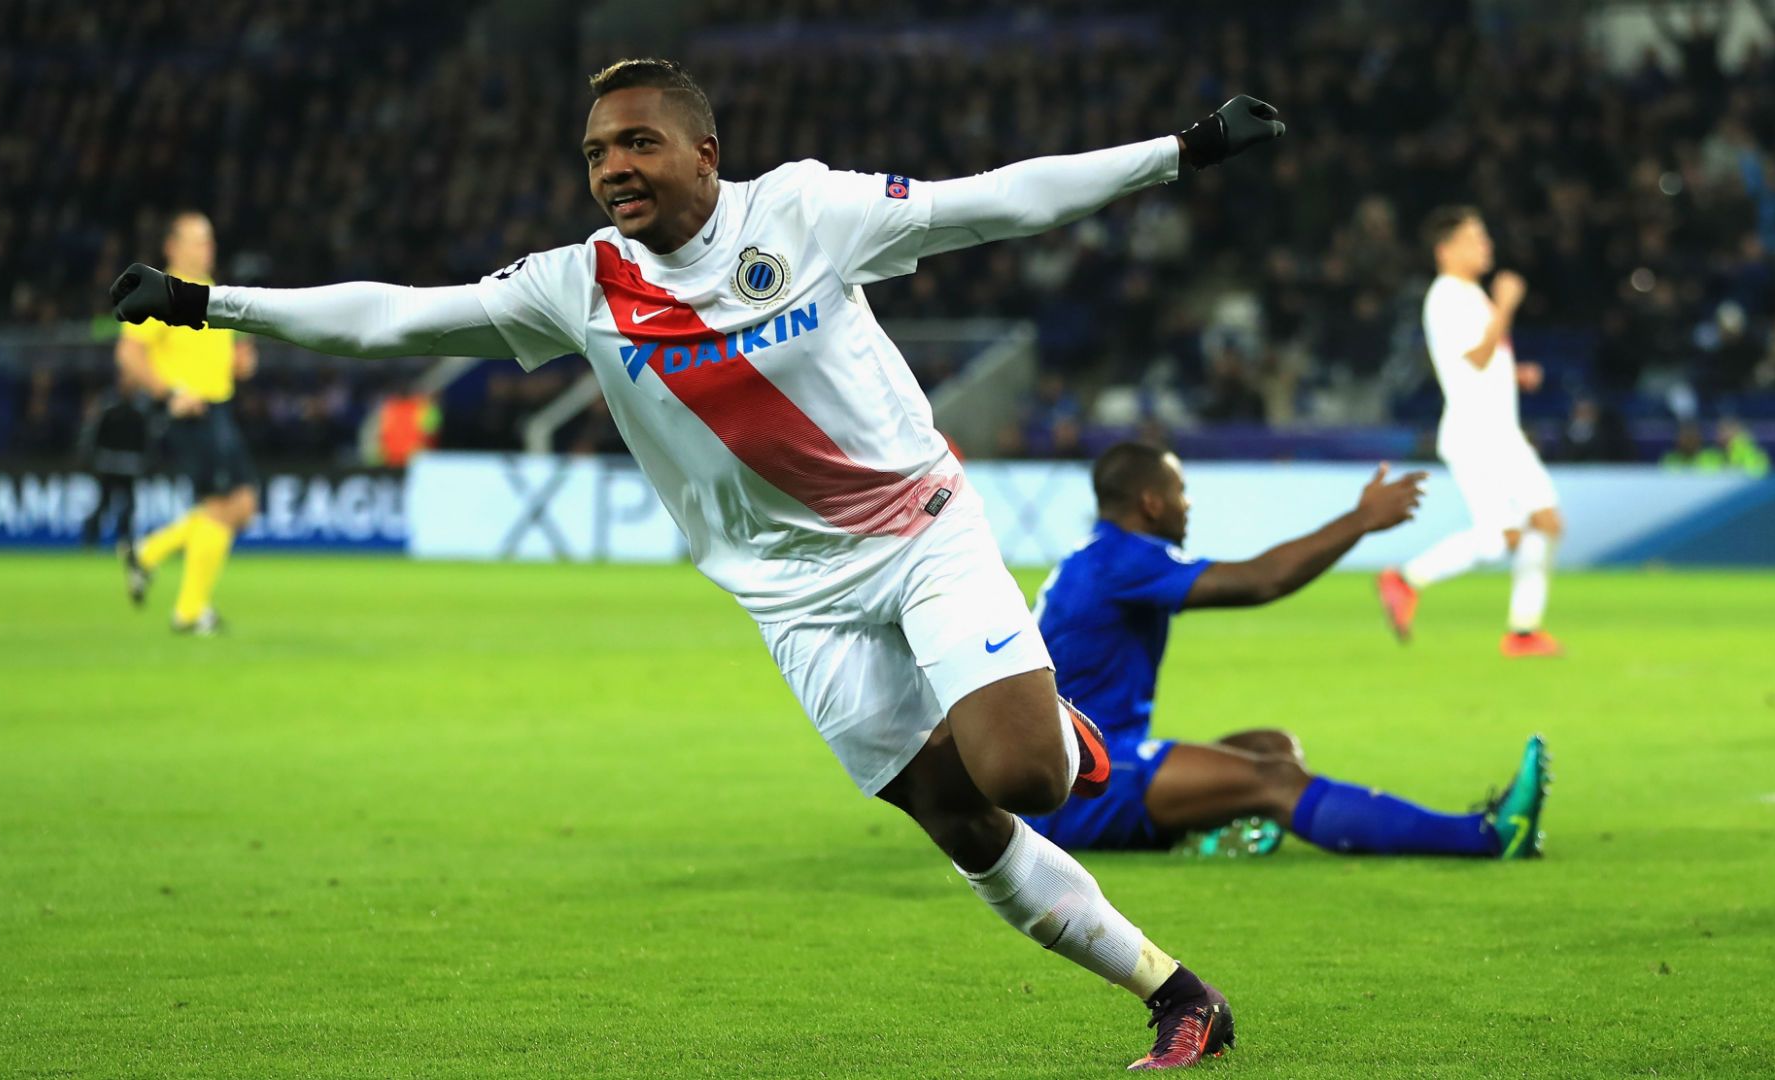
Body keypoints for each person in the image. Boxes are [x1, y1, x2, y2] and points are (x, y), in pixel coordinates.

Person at [106, 58, 1286, 1070]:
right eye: (595, 153)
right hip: (793, 601)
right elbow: (394, 318)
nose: (613, 168)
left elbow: (998, 202)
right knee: (962, 826)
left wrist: (1178, 153)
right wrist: (209, 306)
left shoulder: (807, 212)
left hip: (919, 532)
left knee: (1026, 776)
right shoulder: (580, 286)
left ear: (704, 151)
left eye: (638, 143)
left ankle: (1053, 726)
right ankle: (1177, 994)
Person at [1027, 443, 1550, 859]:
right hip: (1078, 789)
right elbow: (1261, 581)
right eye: (1181, 491)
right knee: (1274, 781)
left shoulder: (1099, 556)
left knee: (1272, 747)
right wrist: (1361, 520)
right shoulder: (1121, 559)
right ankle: (1486, 835)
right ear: (1151, 503)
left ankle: (1196, 835)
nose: (1190, 504)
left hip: (1086, 765)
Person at [1378, 207, 1564, 658]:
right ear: (1446, 250)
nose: (1486, 246)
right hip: (1483, 432)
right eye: (1475, 239)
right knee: (1543, 521)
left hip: (1485, 429)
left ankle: (1407, 579)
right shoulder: (1447, 297)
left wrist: (1514, 374)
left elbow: (1474, 363)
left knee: (1505, 536)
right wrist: (1506, 304)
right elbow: (1477, 356)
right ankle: (1522, 632)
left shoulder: (1467, 295)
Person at [115, 211, 259, 634]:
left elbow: (216, 357)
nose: (207, 248)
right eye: (197, 240)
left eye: (209, 240)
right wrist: (170, 393)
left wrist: (239, 363)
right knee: (222, 506)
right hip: (191, 412)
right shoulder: (161, 292)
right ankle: (190, 610)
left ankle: (147, 554)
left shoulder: (210, 291)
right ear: (172, 247)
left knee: (242, 506)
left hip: (219, 408)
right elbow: (128, 354)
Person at [77, 384, 153, 557]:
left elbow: (145, 440)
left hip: (123, 466)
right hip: (114, 466)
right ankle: (94, 540)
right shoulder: (113, 409)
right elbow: (95, 436)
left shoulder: (132, 411)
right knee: (108, 504)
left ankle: (121, 541)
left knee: (124, 506)